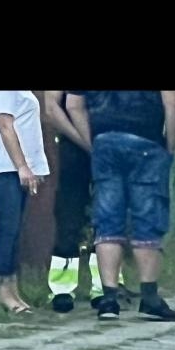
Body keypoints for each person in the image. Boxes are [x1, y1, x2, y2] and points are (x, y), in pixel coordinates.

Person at [67, 90, 175, 322]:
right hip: (147, 140)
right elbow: (174, 104)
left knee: (107, 218)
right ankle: (149, 297)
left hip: (104, 140)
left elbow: (73, 105)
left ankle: (109, 298)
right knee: (148, 218)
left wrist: (92, 140)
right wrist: (170, 146)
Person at [42, 92, 133, 313]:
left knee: (109, 215)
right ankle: (62, 288)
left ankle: (106, 286)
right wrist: (84, 141)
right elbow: (51, 108)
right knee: (68, 214)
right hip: (74, 147)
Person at [0, 91, 49, 315]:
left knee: (15, 229)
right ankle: (2, 290)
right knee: (7, 228)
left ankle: (13, 289)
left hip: (16, 167)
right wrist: (22, 166)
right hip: (5, 166)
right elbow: (4, 125)